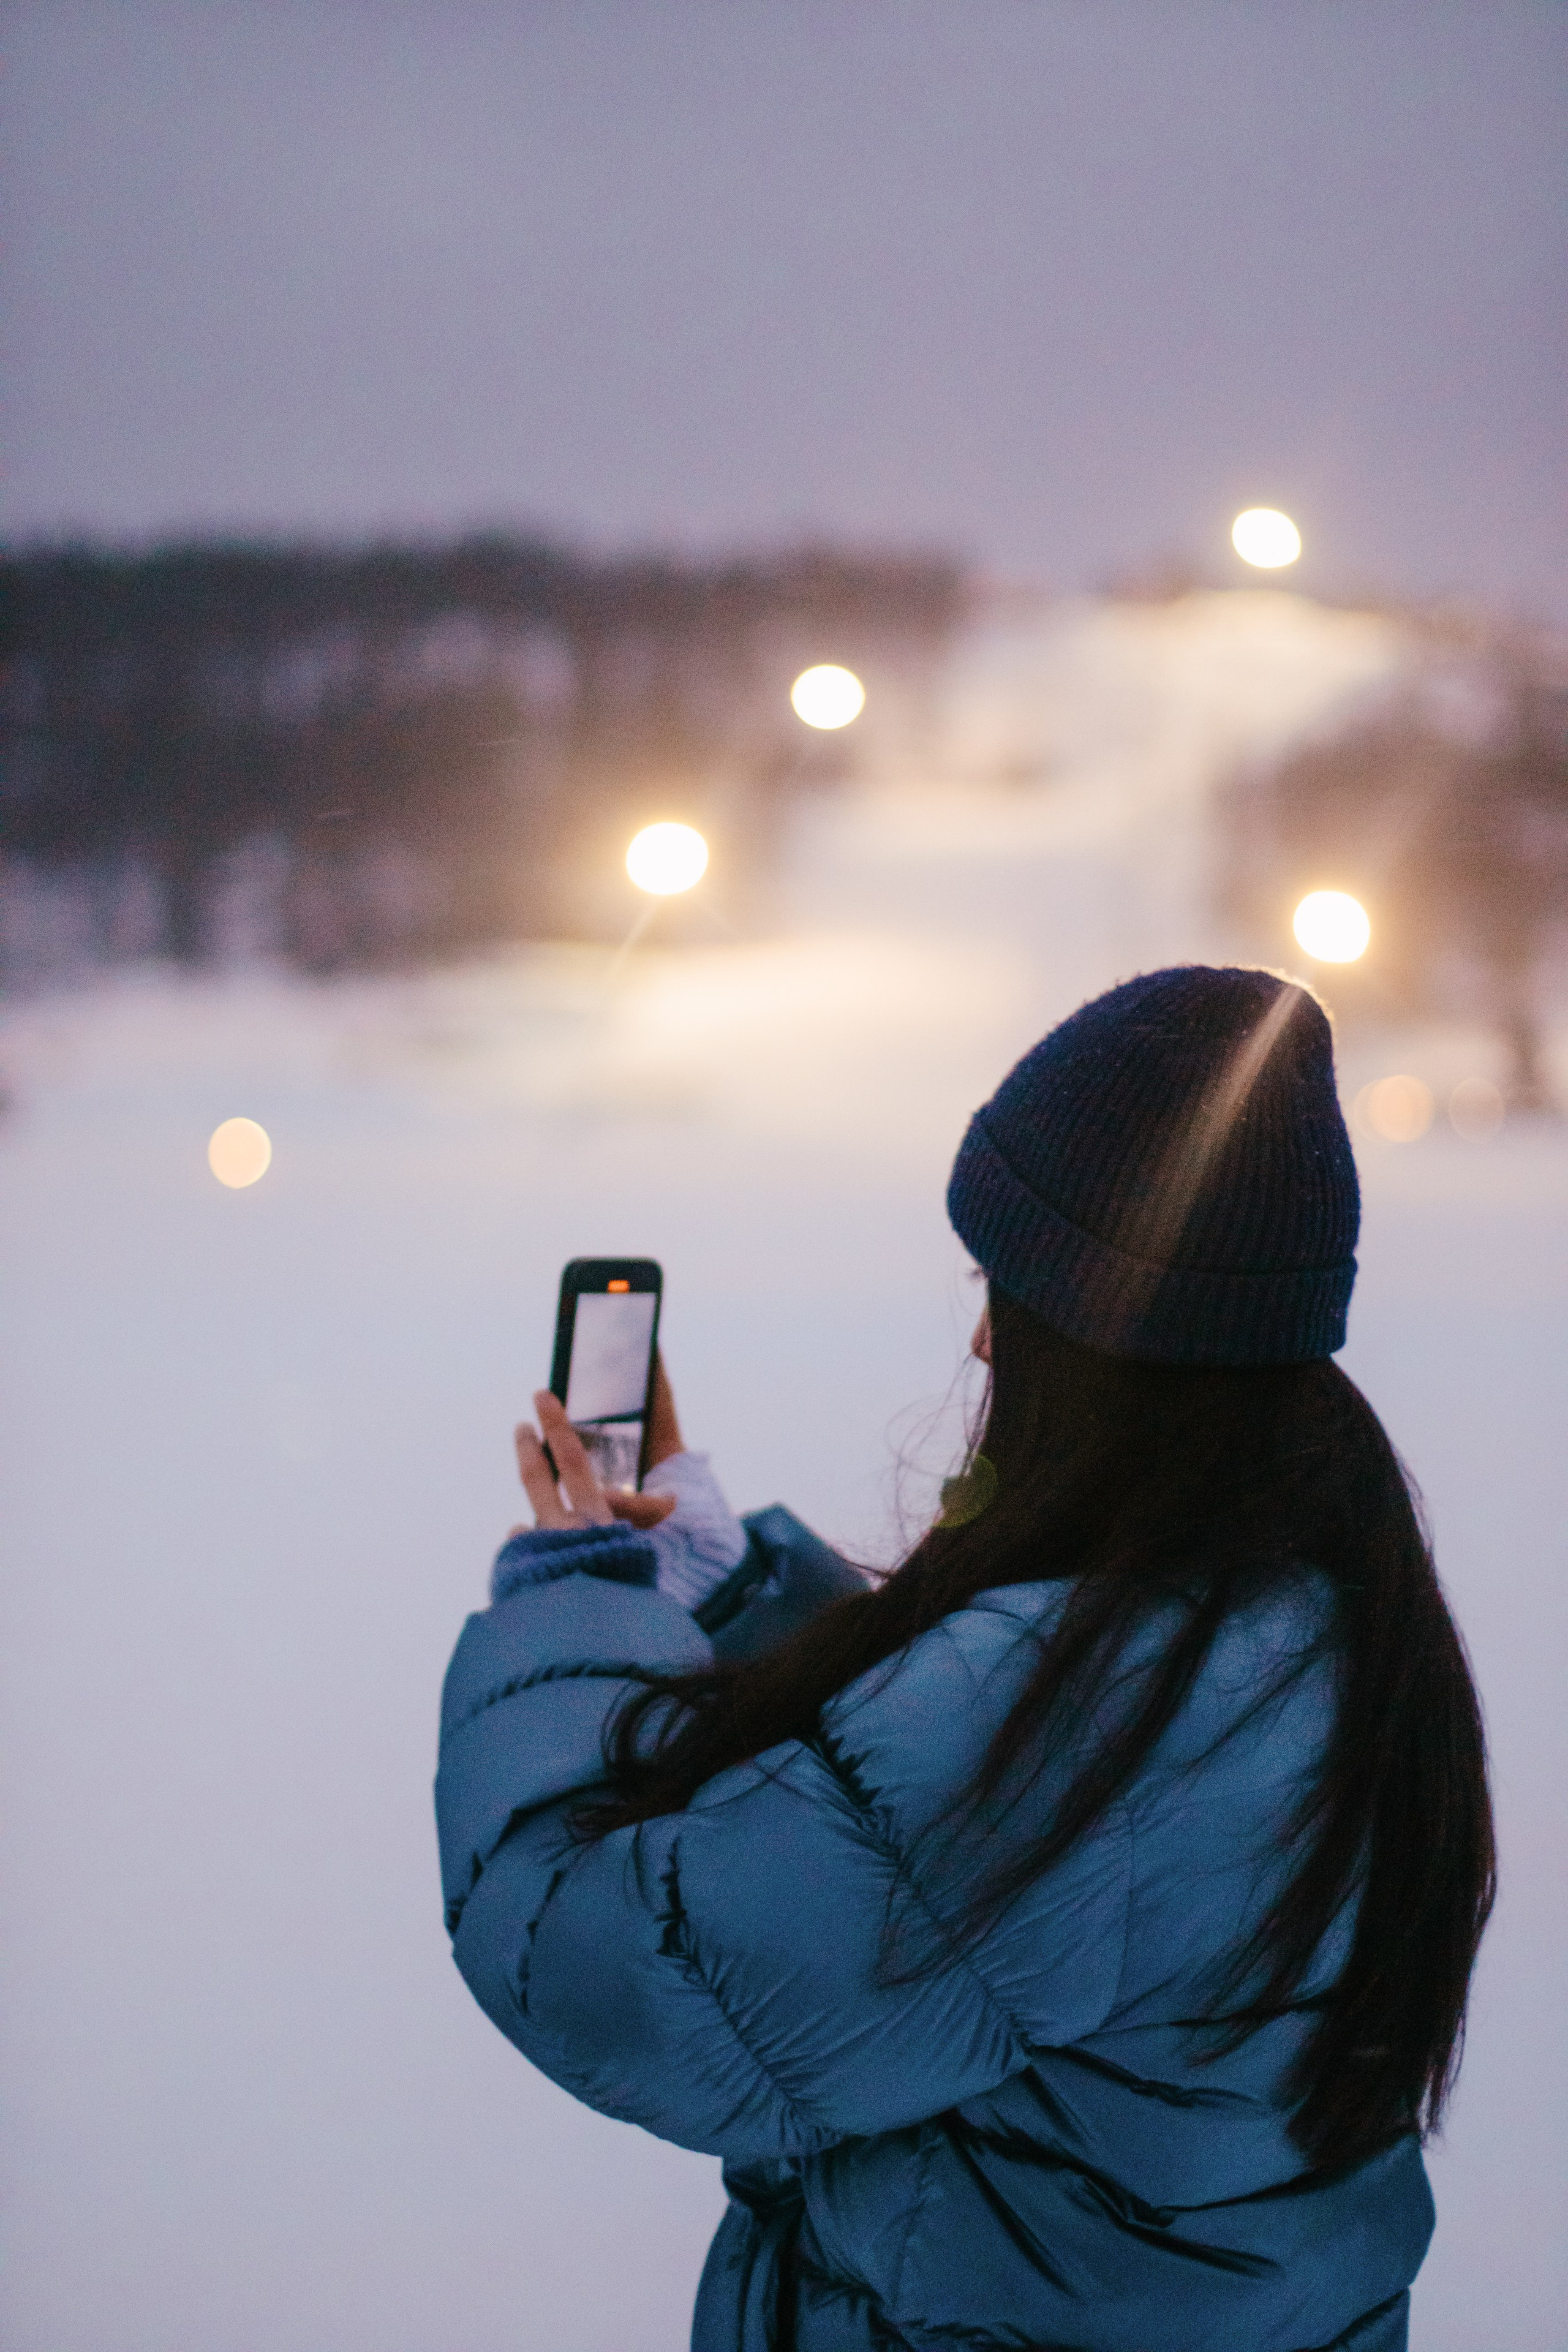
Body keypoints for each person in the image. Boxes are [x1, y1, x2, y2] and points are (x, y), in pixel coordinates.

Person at [435, 965, 1494, 2352]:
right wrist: (735, 1591)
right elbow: (953, 1836)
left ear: (1107, 1333)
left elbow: (603, 1958)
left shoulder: (1086, 1731)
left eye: (1012, 1290)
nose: (987, 1335)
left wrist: (575, 1600)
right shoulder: (1308, 1609)